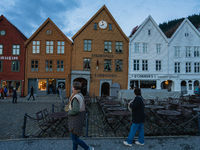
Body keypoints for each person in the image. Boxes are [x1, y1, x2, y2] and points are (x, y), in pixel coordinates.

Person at [66, 81, 94, 150]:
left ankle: (87, 148)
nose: (72, 88)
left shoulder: (76, 97)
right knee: (75, 137)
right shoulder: (80, 94)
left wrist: (69, 112)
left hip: (75, 119)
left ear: (74, 88)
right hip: (79, 118)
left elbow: (75, 110)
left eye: (72, 87)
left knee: (74, 138)